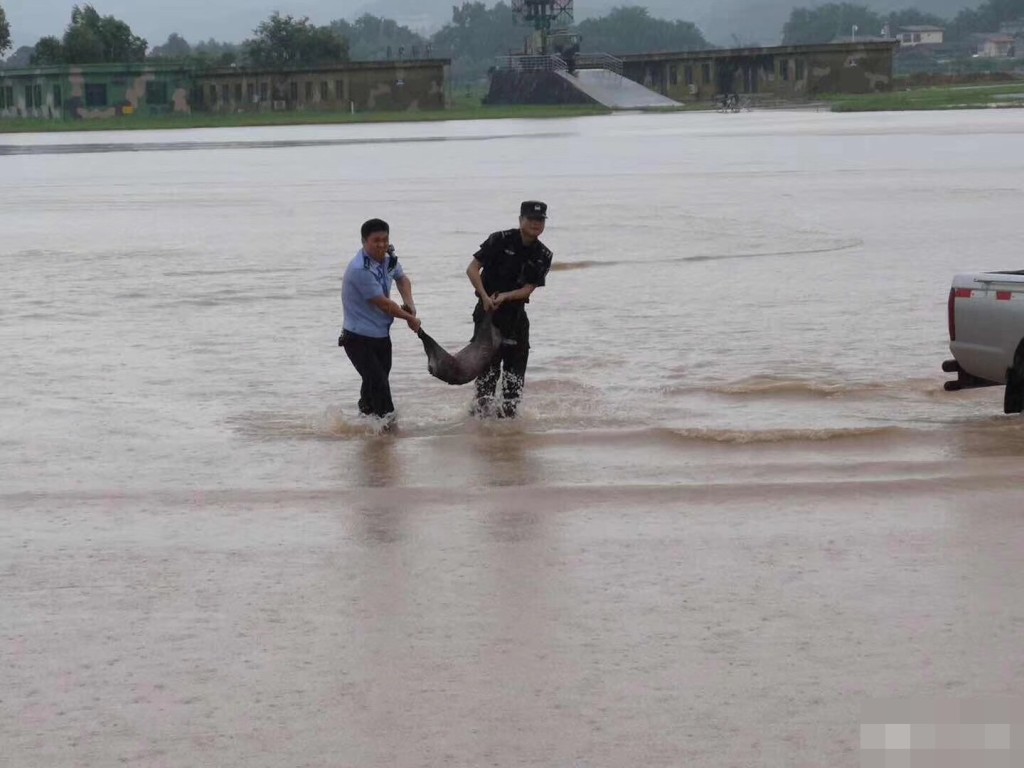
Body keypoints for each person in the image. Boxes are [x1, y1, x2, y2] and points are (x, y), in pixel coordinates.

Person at [466, 201, 554, 418]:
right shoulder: (499, 239)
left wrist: (505, 296)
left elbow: (528, 289)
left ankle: (509, 431)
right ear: (520, 219)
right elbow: (472, 269)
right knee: (487, 376)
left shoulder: (543, 254)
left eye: (540, 220)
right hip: (487, 315)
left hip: (516, 318)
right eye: (531, 219)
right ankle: (480, 425)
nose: (535, 223)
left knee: (514, 381)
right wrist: (484, 296)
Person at [339, 218, 420, 424]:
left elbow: (402, 279)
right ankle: (390, 432)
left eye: (385, 239)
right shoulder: (360, 269)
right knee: (381, 387)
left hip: (382, 336)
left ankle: (364, 432)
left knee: (372, 386)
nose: (381, 245)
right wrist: (410, 318)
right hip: (357, 339)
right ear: (364, 241)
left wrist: (409, 303)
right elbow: (384, 304)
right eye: (376, 241)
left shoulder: (389, 259)